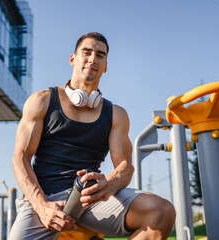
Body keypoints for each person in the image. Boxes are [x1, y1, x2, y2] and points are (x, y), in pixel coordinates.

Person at [9, 32, 176, 240]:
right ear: (73, 59)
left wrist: (110, 184)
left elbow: (125, 166)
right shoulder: (42, 100)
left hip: (90, 198)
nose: (93, 59)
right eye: (86, 52)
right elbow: (20, 157)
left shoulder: (116, 114)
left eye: (100, 55)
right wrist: (42, 207)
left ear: (105, 65)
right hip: (45, 198)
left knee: (161, 212)